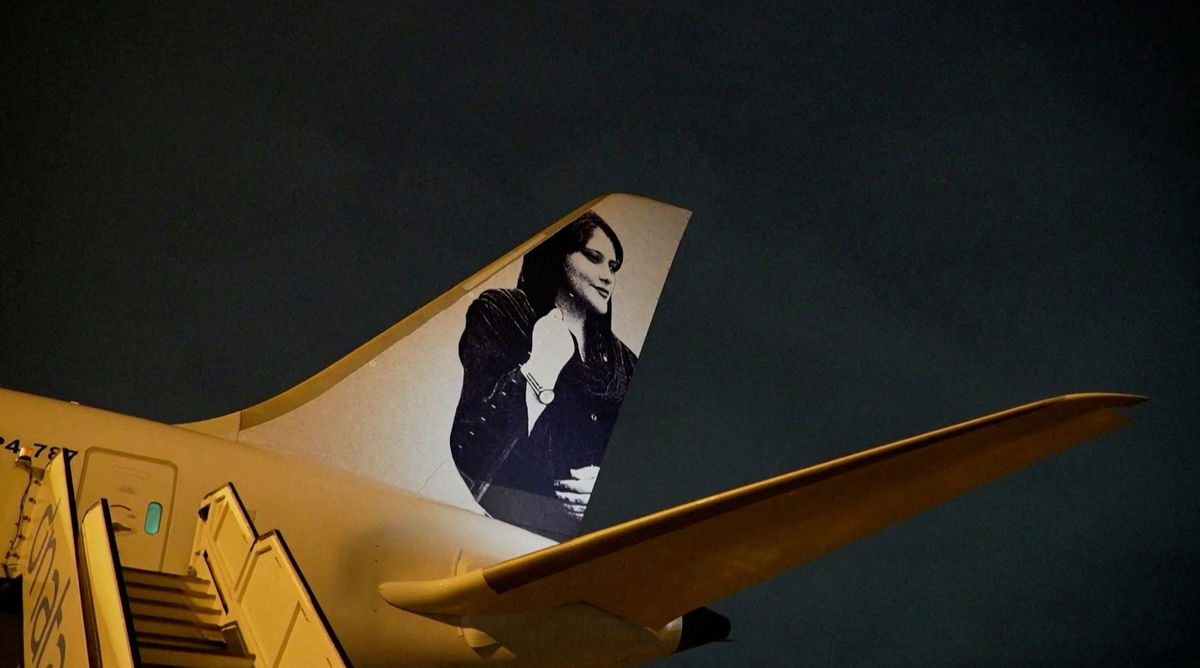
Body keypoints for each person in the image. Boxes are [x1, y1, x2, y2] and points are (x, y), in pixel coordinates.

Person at [450, 212, 636, 540]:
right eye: (594, 258)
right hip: (504, 527)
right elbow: (471, 447)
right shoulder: (502, 313)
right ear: (558, 255)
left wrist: (604, 490)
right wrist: (541, 367)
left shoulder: (624, 364)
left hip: (587, 538)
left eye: (613, 266)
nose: (608, 277)